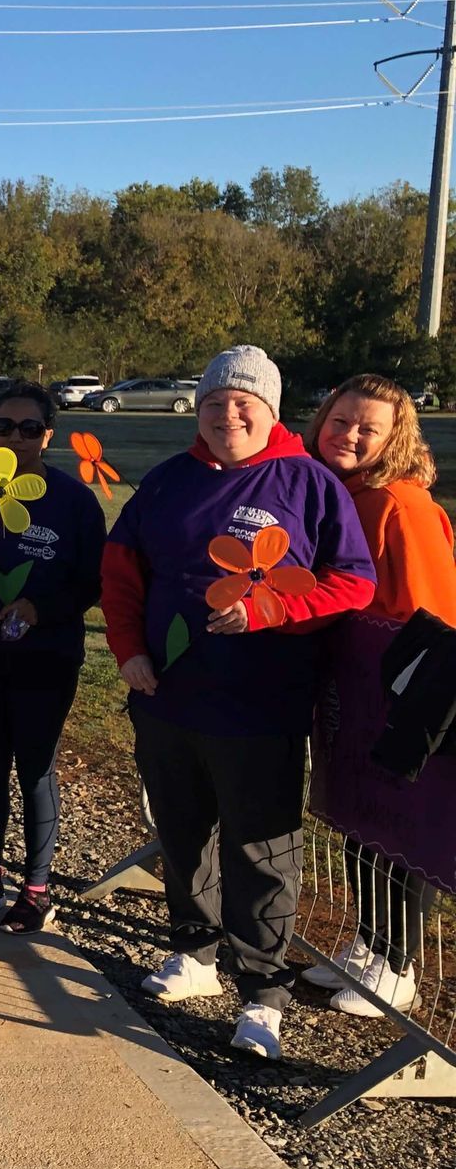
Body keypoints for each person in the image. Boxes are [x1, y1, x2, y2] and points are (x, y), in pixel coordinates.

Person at [103, 346, 375, 1060]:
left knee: (262, 850)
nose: (230, 414)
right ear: (199, 408)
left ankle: (262, 995)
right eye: (216, 401)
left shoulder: (309, 484)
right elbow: (122, 572)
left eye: (245, 402)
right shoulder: (167, 483)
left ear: (271, 410)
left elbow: (354, 582)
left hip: (260, 707)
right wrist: (128, 649)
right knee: (185, 832)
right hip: (166, 700)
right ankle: (194, 954)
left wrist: (274, 612)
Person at [303, 375, 456, 1018]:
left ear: (395, 438)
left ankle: (399, 964)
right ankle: (369, 944)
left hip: (401, 692)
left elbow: (428, 616)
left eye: (369, 427)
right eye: (342, 421)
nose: (351, 435)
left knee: (399, 821)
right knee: (361, 817)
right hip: (352, 687)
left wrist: (404, 696)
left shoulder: (401, 502)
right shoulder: (340, 492)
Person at [0, 383, 104, 934]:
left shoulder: (72, 500)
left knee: (35, 770)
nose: (15, 436)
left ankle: (37, 889)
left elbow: (92, 583)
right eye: (4, 426)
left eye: (29, 428)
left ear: (48, 435)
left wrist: (40, 607)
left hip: (46, 658)